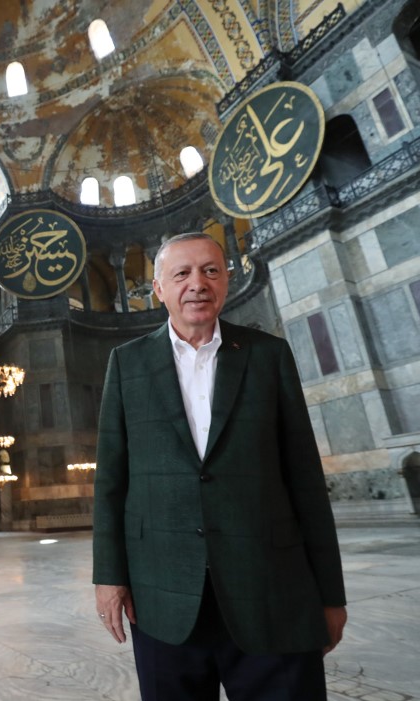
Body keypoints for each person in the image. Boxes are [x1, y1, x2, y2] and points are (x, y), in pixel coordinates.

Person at [92, 232, 347, 700]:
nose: (198, 283)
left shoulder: (268, 355)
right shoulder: (126, 364)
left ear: (227, 279)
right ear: (158, 288)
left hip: (271, 591)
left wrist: (331, 594)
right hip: (163, 596)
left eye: (211, 270)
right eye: (182, 273)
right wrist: (108, 577)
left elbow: (306, 480)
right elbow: (111, 480)